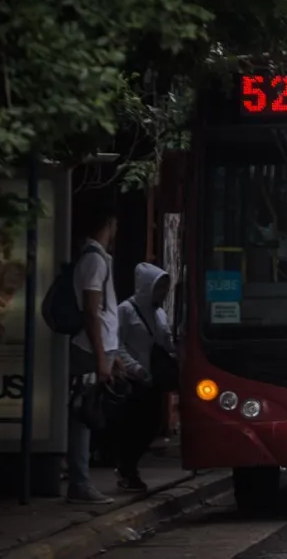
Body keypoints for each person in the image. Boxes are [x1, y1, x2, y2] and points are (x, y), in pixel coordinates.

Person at [67, 200, 141, 504]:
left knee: (93, 412)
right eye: (114, 226)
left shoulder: (97, 258)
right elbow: (92, 312)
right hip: (89, 349)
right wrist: (102, 357)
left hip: (100, 349)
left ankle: (83, 476)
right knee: (85, 414)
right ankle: (80, 483)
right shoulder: (95, 261)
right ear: (108, 224)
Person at [111, 263, 176, 492]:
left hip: (154, 379)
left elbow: (166, 342)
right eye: (160, 288)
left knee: (151, 424)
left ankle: (129, 468)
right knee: (134, 426)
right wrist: (135, 368)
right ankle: (127, 470)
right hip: (133, 379)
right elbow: (116, 344)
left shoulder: (159, 313)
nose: (163, 293)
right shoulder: (125, 310)